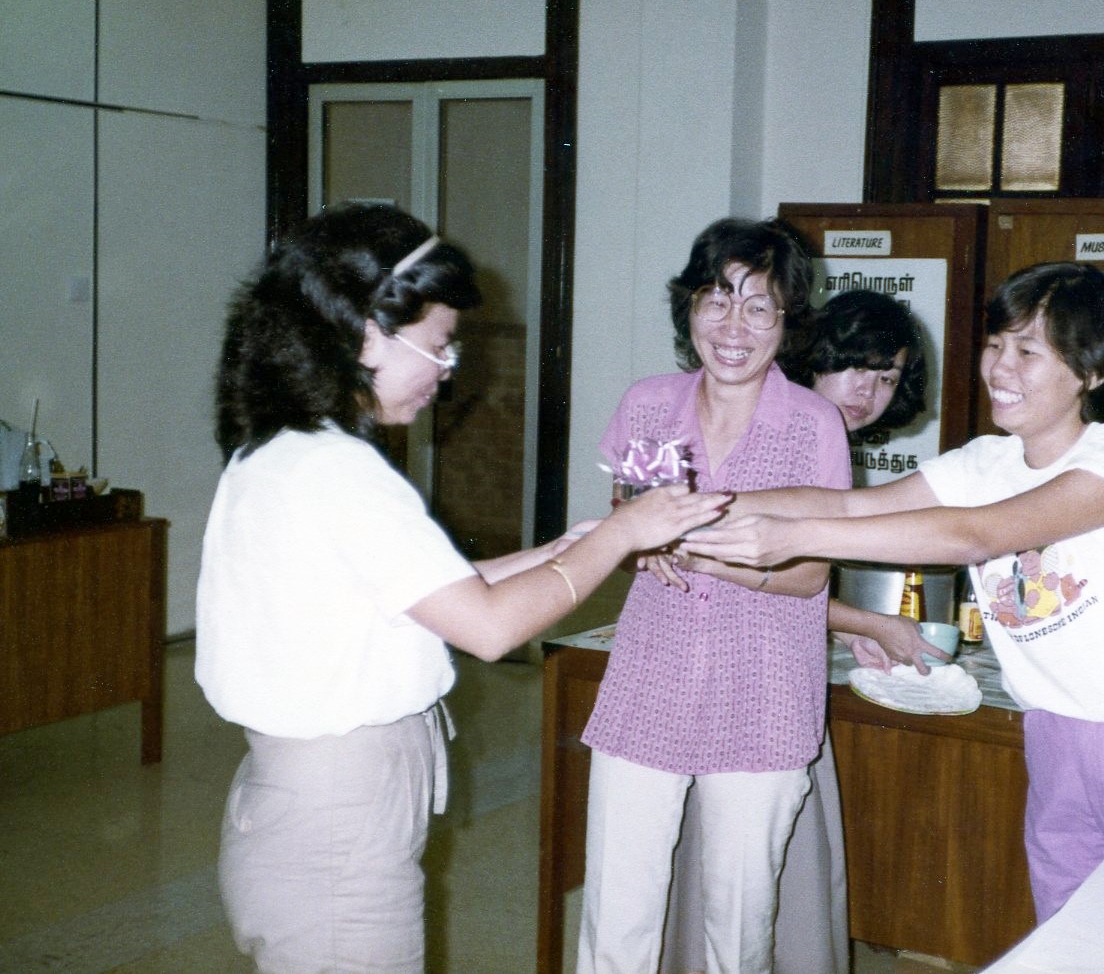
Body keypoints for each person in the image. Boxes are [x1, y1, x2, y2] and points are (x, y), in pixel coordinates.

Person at [195, 201, 727, 973]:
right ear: (364, 329)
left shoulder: (291, 451)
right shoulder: (334, 468)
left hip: (316, 806)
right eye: (439, 347)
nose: (447, 373)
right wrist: (621, 532)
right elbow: (485, 626)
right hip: (335, 823)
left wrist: (562, 550)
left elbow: (431, 591)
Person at [684, 261, 1104, 922]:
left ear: (1095, 372)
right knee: (1074, 942)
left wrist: (787, 537)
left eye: (1028, 350)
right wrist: (703, 505)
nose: (999, 367)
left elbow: (972, 535)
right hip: (1056, 737)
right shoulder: (983, 462)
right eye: (996, 345)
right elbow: (855, 509)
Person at [575, 217, 851, 974]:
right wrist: (637, 539)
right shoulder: (646, 404)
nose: (734, 325)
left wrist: (696, 552)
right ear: (688, 308)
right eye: (716, 299)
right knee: (616, 912)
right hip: (649, 677)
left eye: (759, 305)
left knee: (739, 922)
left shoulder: (814, 424)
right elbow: (624, 517)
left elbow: (810, 575)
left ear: (786, 321)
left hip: (763, 690)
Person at [662, 287, 940, 974]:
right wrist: (863, 620)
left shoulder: (825, 438)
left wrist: (844, 627)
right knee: (737, 864)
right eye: (856, 366)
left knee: (780, 859)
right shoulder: (776, 427)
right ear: (816, 354)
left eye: (887, 376)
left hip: (778, 666)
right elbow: (737, 561)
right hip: (725, 671)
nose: (868, 390)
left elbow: (791, 574)